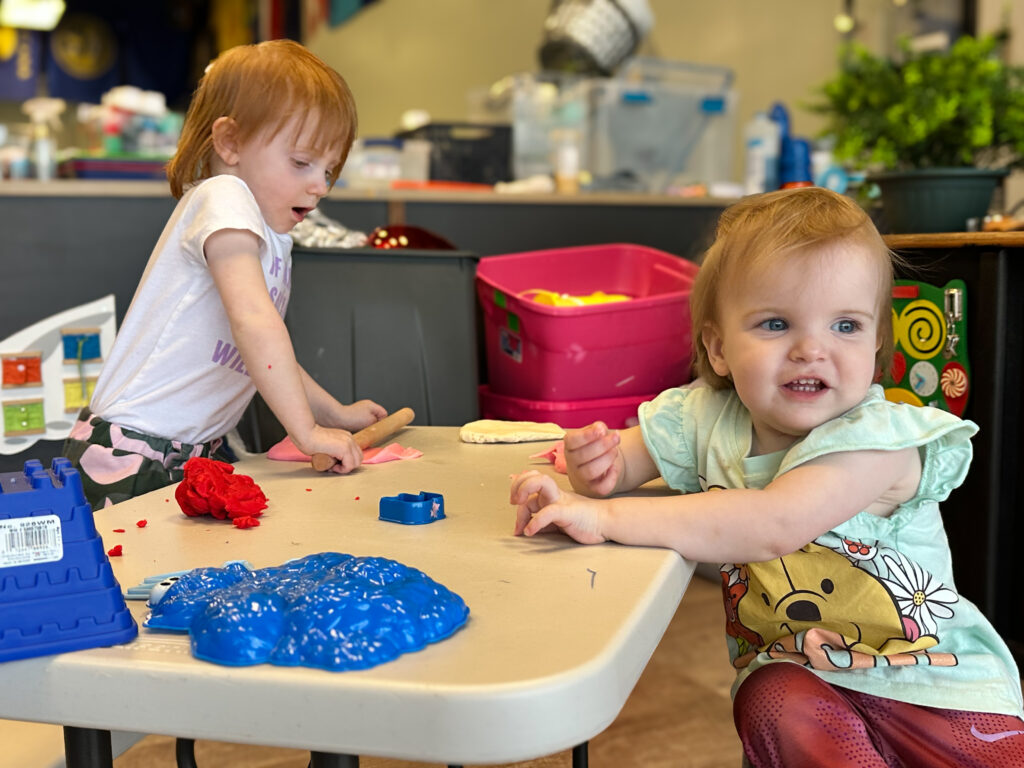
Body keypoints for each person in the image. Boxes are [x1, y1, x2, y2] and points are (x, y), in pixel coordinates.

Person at [510, 187, 1024, 766]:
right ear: (720, 347)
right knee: (769, 696)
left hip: (937, 688)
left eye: (846, 326)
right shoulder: (702, 416)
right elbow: (622, 465)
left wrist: (603, 517)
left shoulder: (880, 440)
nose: (811, 349)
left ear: (879, 339)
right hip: (804, 679)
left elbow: (774, 523)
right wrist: (592, 469)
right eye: (777, 323)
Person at [63, 40, 386, 510]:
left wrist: (333, 412)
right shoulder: (225, 196)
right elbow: (256, 324)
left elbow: (257, 350)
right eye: (301, 163)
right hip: (135, 454)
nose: (319, 186)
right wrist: (307, 432)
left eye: (329, 171)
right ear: (230, 142)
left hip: (192, 452)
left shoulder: (270, 235)